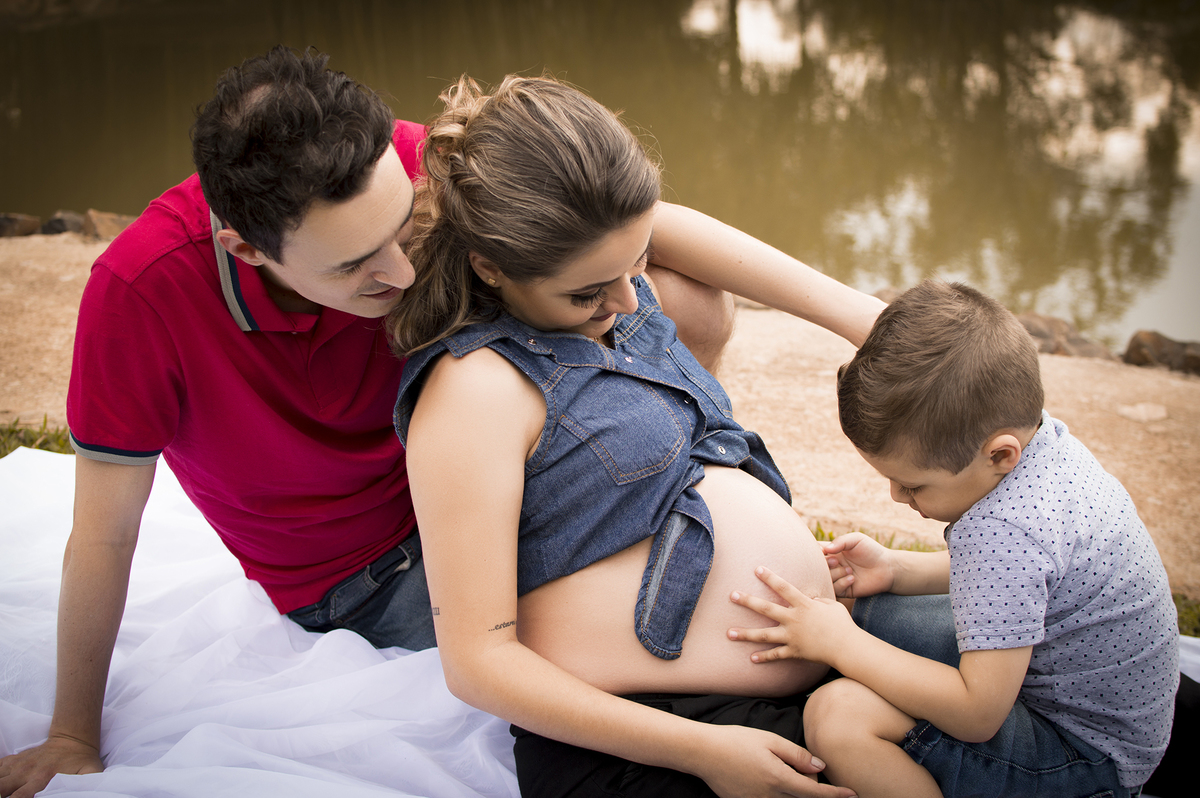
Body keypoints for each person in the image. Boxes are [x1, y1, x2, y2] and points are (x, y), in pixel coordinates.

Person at [0, 47, 889, 798]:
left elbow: (644, 225)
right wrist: (72, 732)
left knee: (683, 294)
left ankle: (686, 477)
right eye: (355, 264)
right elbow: (105, 536)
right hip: (365, 565)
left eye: (405, 226)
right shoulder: (140, 297)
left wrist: (867, 319)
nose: (400, 269)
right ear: (246, 246)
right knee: (728, 652)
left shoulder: (407, 168)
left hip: (492, 468)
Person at [390, 74, 857, 798]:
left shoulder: (609, 292)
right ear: (491, 268)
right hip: (645, 736)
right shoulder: (475, 389)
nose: (630, 299)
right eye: (587, 291)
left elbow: (675, 235)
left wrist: (869, 321)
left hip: (812, 668)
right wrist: (704, 752)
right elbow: (477, 662)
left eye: (638, 260)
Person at [727, 280, 1179, 798]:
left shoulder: (1007, 528)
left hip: (1085, 757)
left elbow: (976, 714)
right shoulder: (1039, 445)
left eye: (914, 484)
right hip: (1092, 705)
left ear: (998, 455)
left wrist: (840, 643)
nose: (897, 497)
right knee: (861, 610)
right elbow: (1026, 577)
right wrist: (897, 569)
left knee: (838, 713)